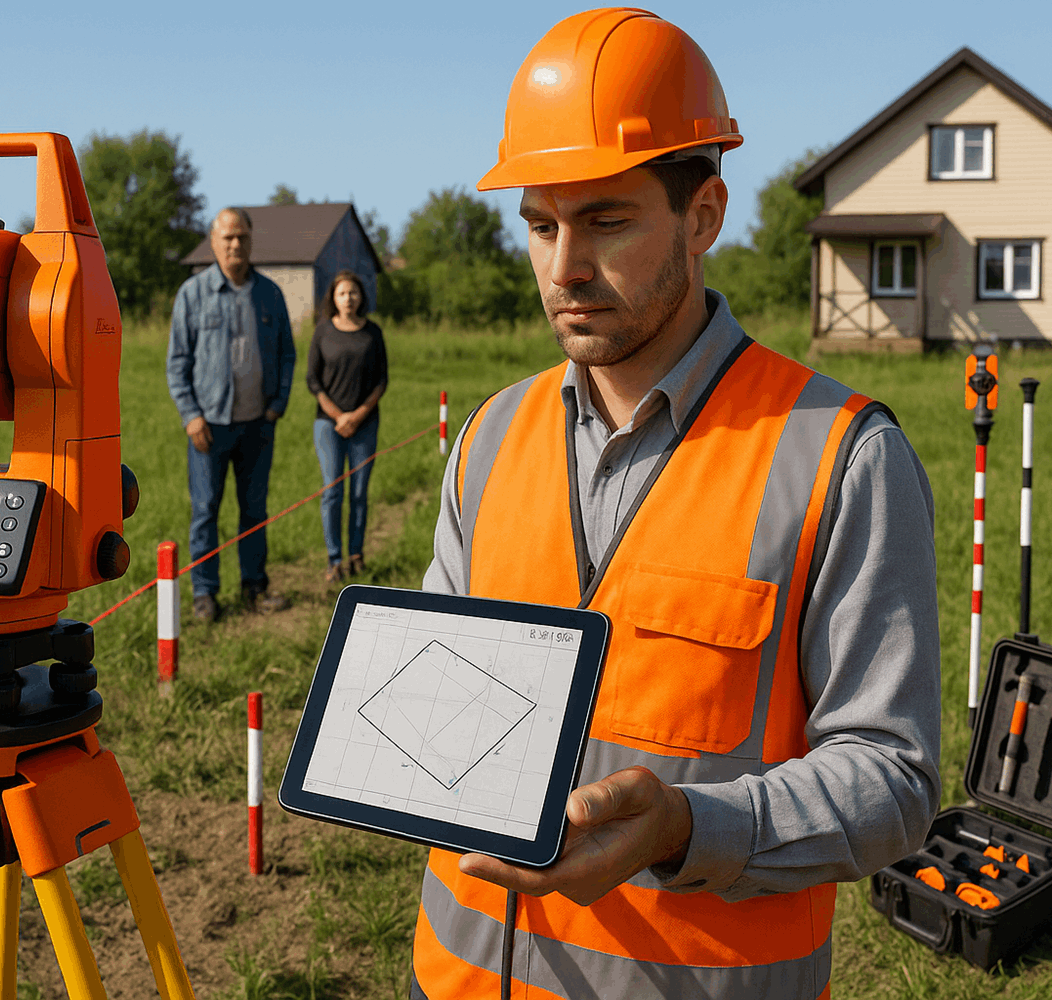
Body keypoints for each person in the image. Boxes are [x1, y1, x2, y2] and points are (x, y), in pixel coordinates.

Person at [411, 10, 941, 999]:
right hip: (454, 974)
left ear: (704, 215)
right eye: (539, 223)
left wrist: (689, 827)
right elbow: (448, 698)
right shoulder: (489, 437)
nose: (562, 266)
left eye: (606, 220)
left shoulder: (839, 454)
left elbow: (895, 778)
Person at [167, 207, 297, 621]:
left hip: (258, 423)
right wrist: (191, 415)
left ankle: (254, 587)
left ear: (251, 240)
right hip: (209, 426)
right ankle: (205, 593)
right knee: (206, 510)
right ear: (213, 241)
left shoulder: (270, 294)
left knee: (254, 510)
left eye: (241, 237)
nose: (235, 245)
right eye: (227, 238)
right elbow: (177, 362)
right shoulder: (193, 294)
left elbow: (287, 354)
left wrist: (277, 404)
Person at [307, 270, 388, 584]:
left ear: (360, 297)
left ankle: (356, 554)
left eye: (353, 292)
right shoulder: (323, 332)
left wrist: (358, 415)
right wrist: (338, 416)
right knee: (332, 491)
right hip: (328, 425)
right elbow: (313, 379)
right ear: (334, 298)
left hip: (365, 424)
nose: (348, 298)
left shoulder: (373, 333)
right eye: (342, 293)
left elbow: (382, 379)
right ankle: (334, 558)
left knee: (358, 493)